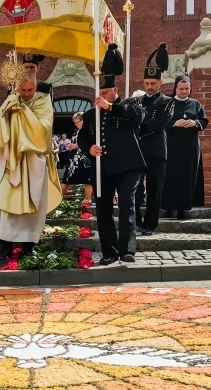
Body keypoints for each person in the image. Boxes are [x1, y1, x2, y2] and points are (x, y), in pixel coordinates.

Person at [78, 44, 146, 265]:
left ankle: (127, 250)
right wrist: (89, 148)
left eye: (106, 94)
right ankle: (109, 251)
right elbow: (83, 138)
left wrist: (110, 107)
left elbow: (139, 117)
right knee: (103, 209)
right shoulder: (90, 115)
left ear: (115, 92)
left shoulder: (128, 105)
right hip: (102, 167)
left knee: (127, 203)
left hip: (128, 166)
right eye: (99, 94)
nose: (101, 98)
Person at [0, 73, 62, 260]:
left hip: (32, 161)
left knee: (34, 206)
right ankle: (5, 247)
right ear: (17, 89)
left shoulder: (43, 102)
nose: (27, 94)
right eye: (23, 90)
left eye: (31, 90)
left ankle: (29, 246)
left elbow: (43, 129)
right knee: (8, 206)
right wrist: (6, 111)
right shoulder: (11, 100)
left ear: (35, 87)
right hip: (10, 161)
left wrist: (21, 112)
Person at [134, 43, 174, 236]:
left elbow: (160, 123)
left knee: (154, 190)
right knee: (134, 190)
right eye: (146, 84)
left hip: (156, 152)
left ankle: (149, 225)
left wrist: (138, 127)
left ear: (160, 83)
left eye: (153, 84)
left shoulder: (167, 102)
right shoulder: (137, 102)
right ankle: (135, 221)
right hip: (136, 151)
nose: (149, 87)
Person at [161, 75, 208, 219]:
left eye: (187, 89)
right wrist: (175, 123)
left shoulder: (196, 104)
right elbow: (161, 121)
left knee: (187, 176)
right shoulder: (168, 103)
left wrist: (195, 124)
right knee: (170, 176)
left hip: (190, 147)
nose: (184, 91)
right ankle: (168, 207)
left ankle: (183, 208)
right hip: (171, 145)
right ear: (175, 88)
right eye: (181, 89)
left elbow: (203, 120)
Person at [61, 112, 93, 204]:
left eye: (77, 122)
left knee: (87, 179)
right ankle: (59, 197)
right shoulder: (76, 132)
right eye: (74, 123)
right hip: (73, 159)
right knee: (67, 178)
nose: (76, 124)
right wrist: (70, 145)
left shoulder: (90, 130)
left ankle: (87, 199)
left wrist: (76, 145)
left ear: (83, 120)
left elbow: (90, 143)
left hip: (84, 158)